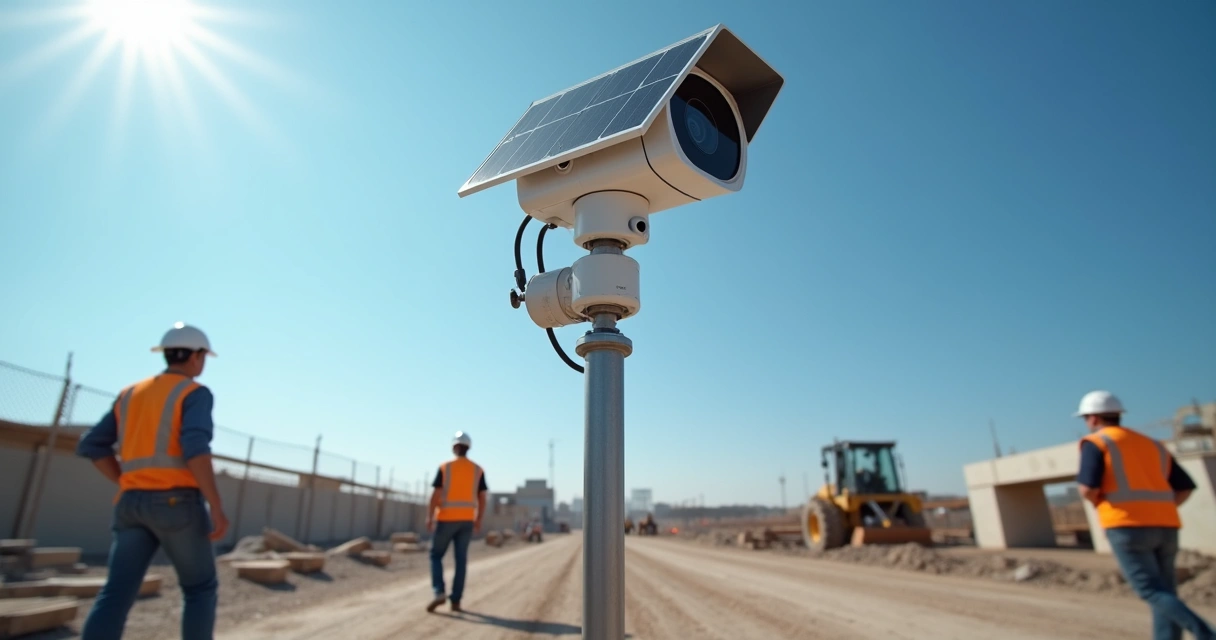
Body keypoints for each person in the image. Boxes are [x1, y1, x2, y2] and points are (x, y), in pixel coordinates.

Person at [75, 323, 229, 640]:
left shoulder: (130, 394)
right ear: (196, 357)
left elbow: (92, 445)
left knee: (115, 594)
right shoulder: (194, 393)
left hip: (130, 505)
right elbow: (195, 450)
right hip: (176, 504)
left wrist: (126, 481)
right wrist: (216, 504)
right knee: (200, 589)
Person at [1074, 390, 1214, 640]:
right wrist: (1162, 507)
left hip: (1126, 525)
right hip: (1166, 525)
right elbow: (1185, 486)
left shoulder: (1096, 443)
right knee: (1165, 592)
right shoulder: (1151, 444)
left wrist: (1101, 504)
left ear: (1093, 418)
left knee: (1150, 591)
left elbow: (1088, 488)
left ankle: (1205, 633)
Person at [425, 430, 487, 613]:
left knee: (436, 555)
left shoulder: (445, 467)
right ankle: (456, 601)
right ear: (469, 448)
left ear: (454, 447)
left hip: (446, 518)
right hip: (467, 520)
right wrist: (479, 519)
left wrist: (429, 516)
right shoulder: (477, 470)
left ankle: (439, 592)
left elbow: (436, 494)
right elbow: (483, 498)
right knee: (461, 560)